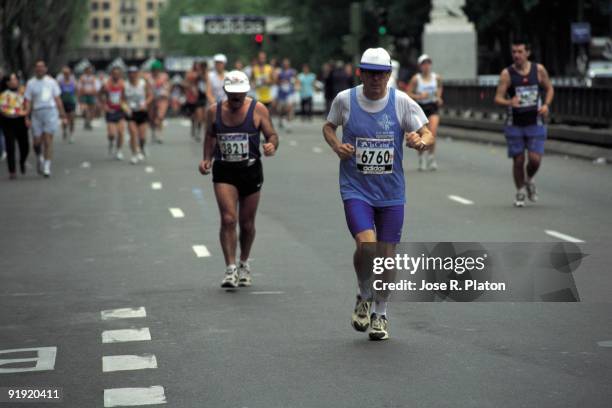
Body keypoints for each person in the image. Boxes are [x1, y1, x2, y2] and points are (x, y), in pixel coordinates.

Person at [322, 48, 432, 340]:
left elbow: (427, 131)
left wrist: (420, 140)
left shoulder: (401, 102)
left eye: (380, 73)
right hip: (356, 188)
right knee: (366, 246)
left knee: (387, 258)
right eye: (369, 73)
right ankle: (363, 293)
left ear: (388, 75)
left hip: (391, 192)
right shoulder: (345, 100)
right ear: (361, 73)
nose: (375, 79)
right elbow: (328, 127)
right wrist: (337, 147)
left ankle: (380, 313)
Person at [198, 71, 279, 288]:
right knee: (228, 219)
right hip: (224, 171)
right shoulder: (213, 112)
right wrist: (206, 158)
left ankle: (244, 262)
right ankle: (230, 268)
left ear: (246, 91)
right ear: (225, 91)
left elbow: (272, 134)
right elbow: (210, 135)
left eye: (240, 94)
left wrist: (271, 145)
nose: (236, 98)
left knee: (247, 223)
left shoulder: (258, 109)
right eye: (232, 94)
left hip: (250, 170)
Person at [494, 39, 554, 207]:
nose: (517, 55)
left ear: (528, 53)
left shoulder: (539, 70)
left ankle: (529, 179)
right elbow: (497, 98)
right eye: (514, 52)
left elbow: (549, 88)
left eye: (520, 52)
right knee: (518, 160)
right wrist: (509, 102)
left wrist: (546, 105)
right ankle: (520, 191)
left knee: (535, 159)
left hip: (536, 122)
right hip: (515, 124)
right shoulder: (507, 74)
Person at [24, 60, 67, 178]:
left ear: (45, 69)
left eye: (42, 67)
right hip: (37, 112)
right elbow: (28, 101)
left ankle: (47, 166)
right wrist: (26, 116)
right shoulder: (31, 83)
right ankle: (39, 157)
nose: (40, 69)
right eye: (37, 67)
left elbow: (57, 99)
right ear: (35, 69)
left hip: (50, 111)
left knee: (48, 140)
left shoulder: (51, 82)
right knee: (37, 142)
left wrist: (63, 115)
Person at [407, 54, 443, 171]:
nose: (426, 66)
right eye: (423, 64)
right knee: (422, 134)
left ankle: (431, 157)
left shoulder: (436, 77)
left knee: (432, 132)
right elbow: (408, 94)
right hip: (420, 107)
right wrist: (419, 96)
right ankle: (421, 157)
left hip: (432, 107)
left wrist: (438, 97)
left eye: (428, 63)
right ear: (420, 66)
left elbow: (439, 88)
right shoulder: (416, 79)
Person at [0, 73, 29, 179]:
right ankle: (12, 170)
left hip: (21, 122)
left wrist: (26, 116)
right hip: (8, 123)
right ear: (7, 82)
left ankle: (22, 161)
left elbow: (27, 104)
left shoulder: (23, 91)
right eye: (11, 80)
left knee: (24, 146)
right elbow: (4, 110)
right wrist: (18, 112)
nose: (14, 81)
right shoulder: (3, 94)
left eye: (15, 79)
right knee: (10, 146)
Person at [125, 66, 153, 164]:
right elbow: (122, 100)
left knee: (142, 137)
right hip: (131, 112)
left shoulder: (143, 84)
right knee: (133, 133)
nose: (132, 75)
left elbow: (150, 96)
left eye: (134, 73)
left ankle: (142, 147)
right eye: (130, 73)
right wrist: (125, 107)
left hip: (142, 112)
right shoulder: (125, 85)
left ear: (137, 73)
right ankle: (134, 154)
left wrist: (145, 103)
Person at [100, 66, 127, 160]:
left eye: (118, 74)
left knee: (121, 132)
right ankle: (111, 142)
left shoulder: (123, 84)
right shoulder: (106, 84)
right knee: (112, 134)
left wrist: (125, 106)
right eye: (114, 74)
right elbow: (100, 95)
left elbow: (125, 97)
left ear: (120, 74)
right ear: (111, 74)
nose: (116, 75)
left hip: (120, 110)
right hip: (110, 111)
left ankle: (119, 150)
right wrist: (104, 106)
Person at [148, 60, 170, 143]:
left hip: (162, 99)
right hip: (152, 99)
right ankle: (153, 133)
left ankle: (160, 134)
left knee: (160, 117)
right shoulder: (149, 77)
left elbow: (168, 86)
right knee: (152, 118)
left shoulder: (164, 76)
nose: (156, 71)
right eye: (154, 69)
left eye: (157, 69)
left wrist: (166, 92)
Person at [57, 66, 78, 143]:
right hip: (63, 103)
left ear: (70, 73)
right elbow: (57, 94)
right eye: (65, 73)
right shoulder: (60, 82)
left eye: (68, 73)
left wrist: (77, 101)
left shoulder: (73, 82)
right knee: (64, 120)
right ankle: (64, 130)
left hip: (71, 102)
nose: (66, 75)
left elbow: (76, 92)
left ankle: (71, 134)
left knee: (72, 119)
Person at [276, 58, 297, 131]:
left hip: (290, 92)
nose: (285, 65)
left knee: (289, 108)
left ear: (289, 64)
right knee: (280, 109)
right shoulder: (280, 72)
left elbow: (295, 80)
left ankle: (289, 124)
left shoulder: (292, 71)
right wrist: (281, 81)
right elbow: (277, 82)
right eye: (284, 64)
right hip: (282, 93)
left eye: (287, 63)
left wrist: (293, 84)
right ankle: (281, 120)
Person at [78, 65, 100, 130]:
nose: (89, 72)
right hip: (84, 95)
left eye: (90, 71)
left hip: (91, 95)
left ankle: (89, 122)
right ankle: (86, 120)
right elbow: (79, 87)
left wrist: (94, 94)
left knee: (92, 110)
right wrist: (80, 95)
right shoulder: (82, 78)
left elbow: (96, 88)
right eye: (88, 70)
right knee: (85, 109)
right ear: (85, 71)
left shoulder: (94, 78)